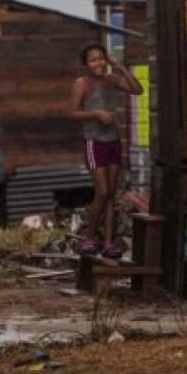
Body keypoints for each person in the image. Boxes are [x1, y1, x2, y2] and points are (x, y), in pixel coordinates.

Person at [68, 43, 143, 258]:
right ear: (86, 65)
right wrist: (96, 114)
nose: (98, 63)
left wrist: (120, 66)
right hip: (95, 142)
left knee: (111, 194)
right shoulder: (82, 84)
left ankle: (109, 243)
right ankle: (90, 238)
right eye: (93, 60)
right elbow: (71, 113)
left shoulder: (112, 80)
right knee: (101, 192)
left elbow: (138, 90)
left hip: (113, 141)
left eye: (101, 59)